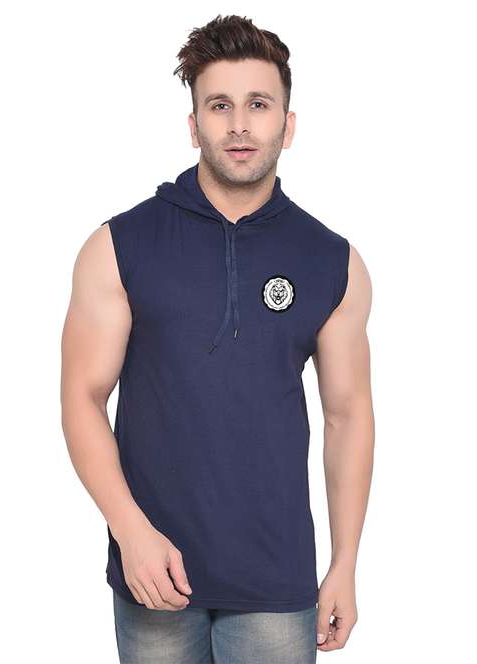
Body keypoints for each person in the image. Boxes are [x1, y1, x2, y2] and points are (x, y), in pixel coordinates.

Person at [61, 13, 374, 663]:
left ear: (287, 124)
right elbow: (82, 398)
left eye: (258, 104)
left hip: (277, 581)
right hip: (156, 577)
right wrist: (129, 530)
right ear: (194, 124)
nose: (239, 125)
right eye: (219, 105)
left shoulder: (331, 260)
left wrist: (345, 561)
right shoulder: (119, 246)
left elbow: (347, 415)